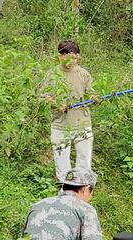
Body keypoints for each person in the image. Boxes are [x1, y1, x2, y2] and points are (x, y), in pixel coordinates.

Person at [40, 40, 99, 183]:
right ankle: (64, 190)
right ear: (60, 55)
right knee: (61, 161)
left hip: (82, 124)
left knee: (84, 161)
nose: (72, 61)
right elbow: (42, 96)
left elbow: (90, 92)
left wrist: (94, 98)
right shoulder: (52, 75)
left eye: (75, 57)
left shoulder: (84, 74)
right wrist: (56, 104)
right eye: (69, 57)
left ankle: (82, 189)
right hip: (60, 125)